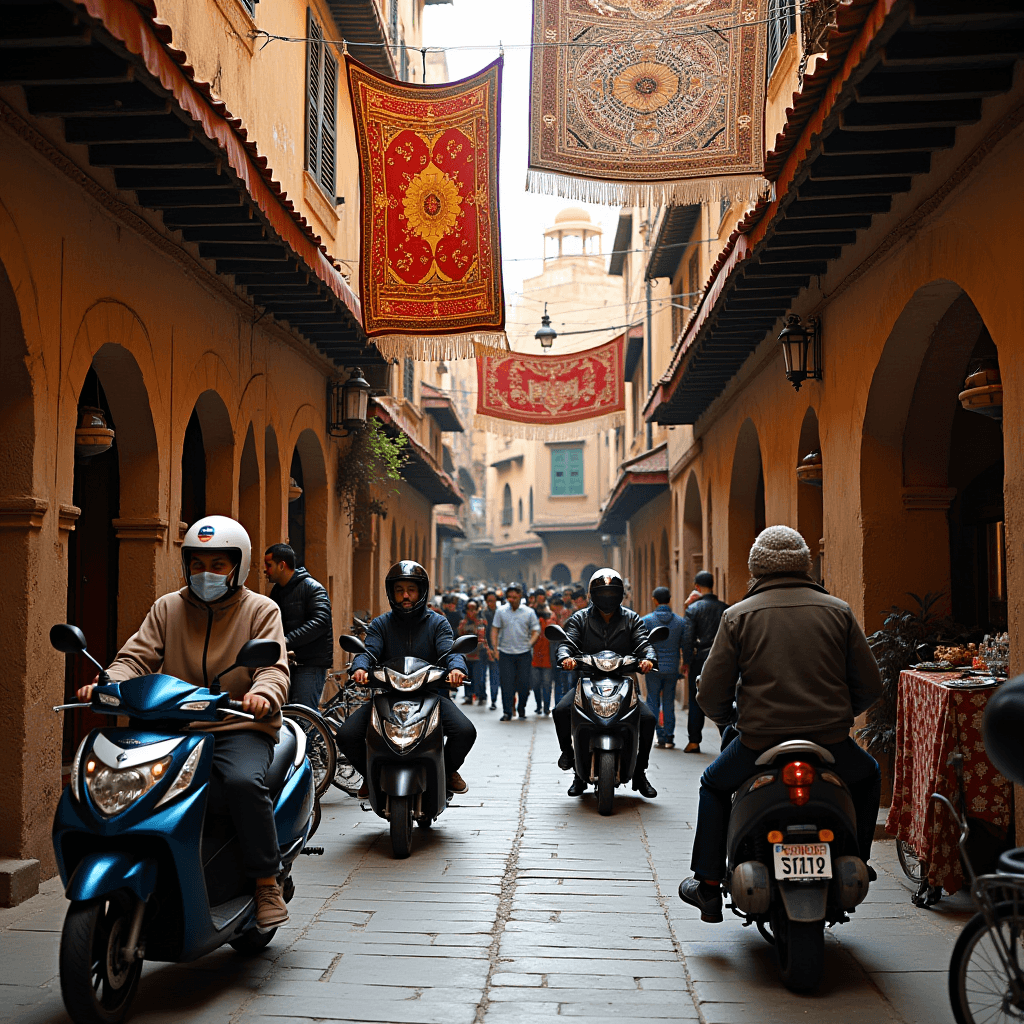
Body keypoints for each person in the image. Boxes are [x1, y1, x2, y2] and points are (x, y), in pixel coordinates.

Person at [77, 516, 292, 930]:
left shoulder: (261, 610)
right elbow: (135, 658)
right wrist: (107, 684)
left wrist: (263, 696)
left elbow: (273, 669)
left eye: (218, 564)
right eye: (197, 564)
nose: (206, 573)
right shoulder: (168, 607)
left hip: (236, 727)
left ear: (239, 566)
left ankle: (267, 881)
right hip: (173, 727)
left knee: (244, 784)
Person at [677, 526, 883, 924]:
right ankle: (859, 856)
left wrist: (726, 720)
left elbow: (712, 691)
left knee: (714, 785)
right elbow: (870, 684)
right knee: (868, 774)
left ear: (757, 567)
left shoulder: (737, 616)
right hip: (830, 741)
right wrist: (839, 716)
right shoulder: (838, 611)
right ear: (805, 564)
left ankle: (706, 884)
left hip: (758, 741)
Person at [337, 561, 475, 796]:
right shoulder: (381, 624)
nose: (405, 596)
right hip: (388, 697)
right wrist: (359, 669)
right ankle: (370, 776)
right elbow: (367, 651)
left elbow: (448, 651)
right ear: (391, 593)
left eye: (411, 590)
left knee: (465, 731)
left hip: (429, 697)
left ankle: (449, 771)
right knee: (346, 735)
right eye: (399, 590)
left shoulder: (437, 623)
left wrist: (456, 669)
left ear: (421, 591)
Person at [554, 569, 659, 799]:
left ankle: (640, 771)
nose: (608, 597)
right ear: (593, 594)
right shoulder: (580, 618)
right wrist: (565, 657)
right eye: (604, 592)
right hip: (588, 681)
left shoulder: (631, 618)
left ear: (620, 594)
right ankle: (570, 759)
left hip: (624, 682)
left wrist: (649, 658)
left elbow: (643, 642)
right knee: (561, 710)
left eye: (613, 592)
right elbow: (567, 642)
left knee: (649, 719)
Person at [264, 543, 333, 710]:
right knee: (289, 716)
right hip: (287, 663)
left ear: (282, 565)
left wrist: (286, 641)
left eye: (269, 565)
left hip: (310, 665)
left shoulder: (312, 588)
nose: (265, 570)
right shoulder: (277, 591)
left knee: (303, 717)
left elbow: (321, 622)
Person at [680, 571, 729, 753]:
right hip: (722, 660)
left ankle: (694, 741)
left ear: (697, 587)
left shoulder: (693, 609)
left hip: (700, 659)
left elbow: (688, 638)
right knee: (724, 699)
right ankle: (727, 739)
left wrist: (686, 660)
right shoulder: (725, 608)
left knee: (695, 699)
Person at [642, 587, 686, 749]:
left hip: (653, 668)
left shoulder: (646, 621)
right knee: (669, 702)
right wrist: (685, 663)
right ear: (670, 599)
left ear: (654, 599)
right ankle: (669, 736)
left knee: (653, 700)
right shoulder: (680, 622)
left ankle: (659, 736)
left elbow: (642, 644)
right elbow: (685, 644)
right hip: (672, 668)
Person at [491, 583, 540, 721]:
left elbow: (536, 630)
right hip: (506, 653)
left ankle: (521, 708)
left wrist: (530, 643)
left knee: (524, 684)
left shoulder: (528, 612)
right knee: (506, 684)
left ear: (520, 596)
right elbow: (495, 630)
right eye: (509, 597)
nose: (511, 599)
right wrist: (495, 649)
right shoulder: (501, 611)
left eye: (514, 596)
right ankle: (507, 711)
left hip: (523, 653)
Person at [458, 599, 489, 706]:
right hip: (467, 654)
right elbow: (460, 634)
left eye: (473, 609)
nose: (471, 612)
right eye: (469, 609)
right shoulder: (463, 622)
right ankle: (469, 696)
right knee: (467, 676)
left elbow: (482, 636)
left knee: (479, 677)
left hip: (479, 654)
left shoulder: (481, 622)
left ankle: (481, 695)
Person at [532, 596, 554, 715]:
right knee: (536, 684)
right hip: (535, 658)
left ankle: (545, 706)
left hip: (547, 658)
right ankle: (539, 705)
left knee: (546, 684)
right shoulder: (532, 623)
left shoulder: (550, 622)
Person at [482, 590, 501, 710]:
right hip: (483, 649)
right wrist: (487, 648)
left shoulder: (500, 613)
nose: (492, 603)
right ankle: (482, 695)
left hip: (496, 649)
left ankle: (493, 700)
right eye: (489, 601)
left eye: (493, 601)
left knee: (495, 676)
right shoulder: (482, 615)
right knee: (481, 677)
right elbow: (481, 633)